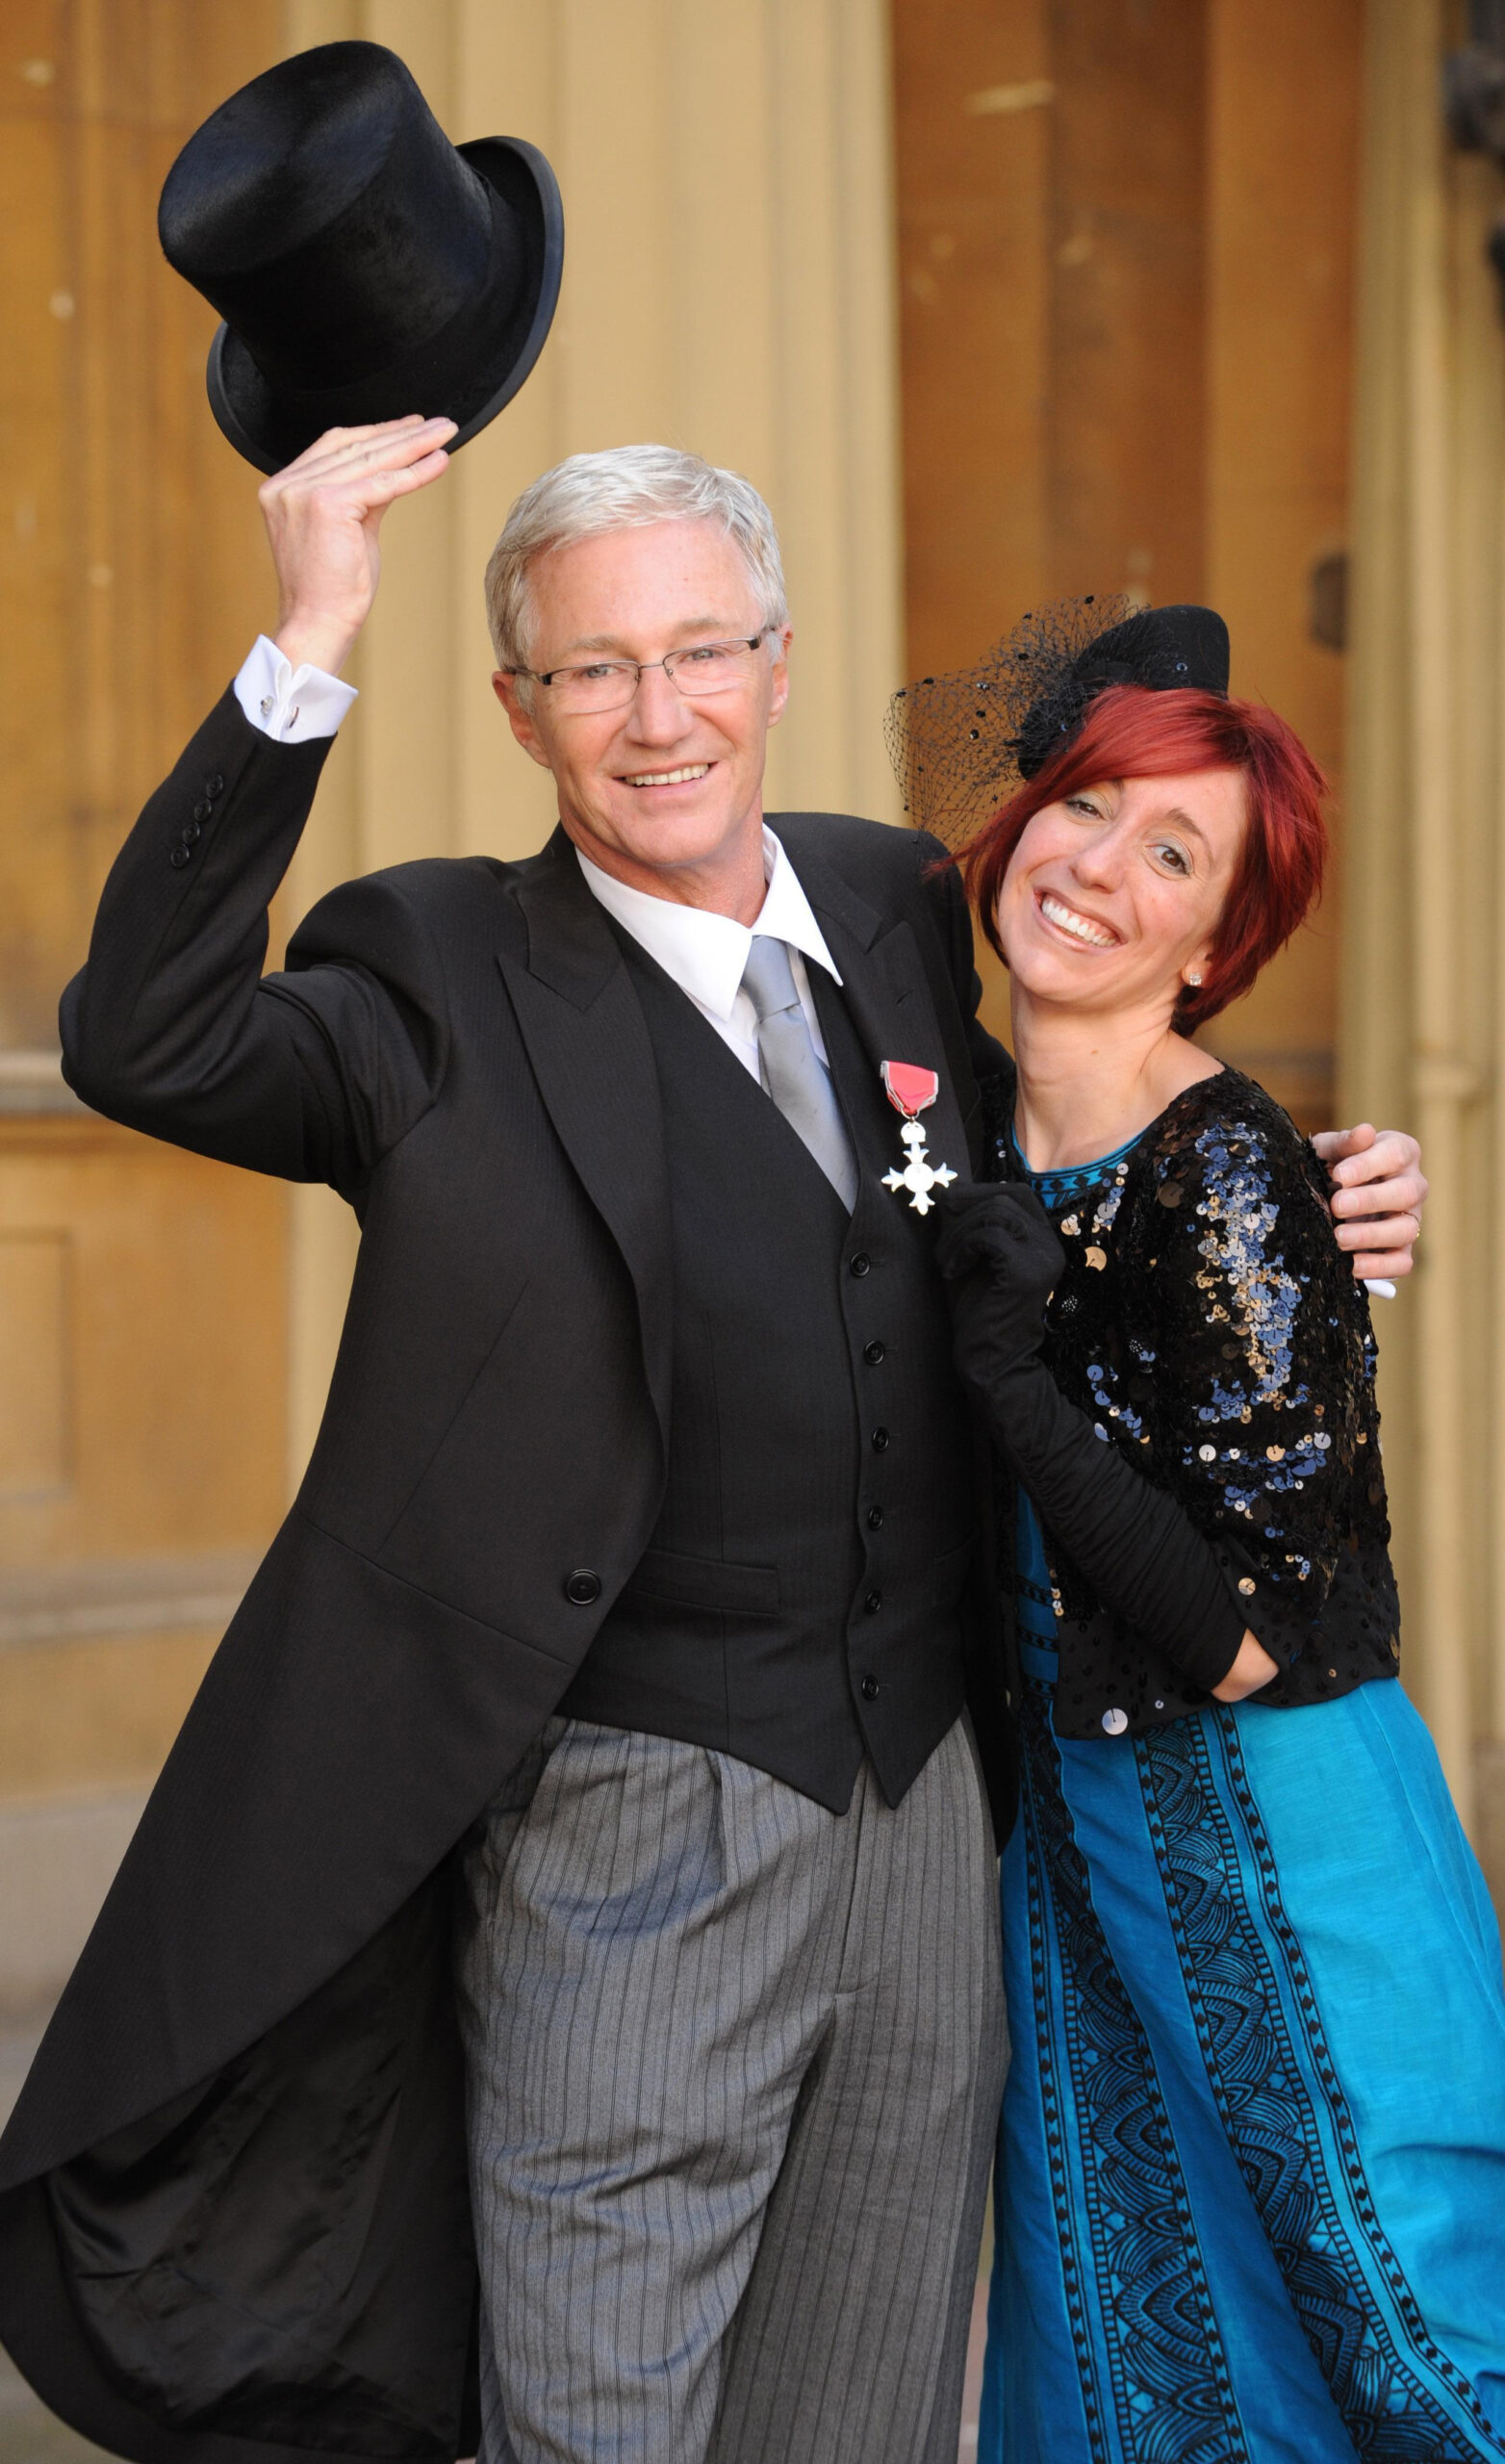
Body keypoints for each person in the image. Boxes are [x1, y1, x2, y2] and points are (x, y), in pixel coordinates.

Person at [0, 446, 1425, 2464]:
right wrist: (306, 637)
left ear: (775, 665)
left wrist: (1310, 1179)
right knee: (601, 2419)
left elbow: (1091, 1111)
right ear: (519, 711)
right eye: (591, 670)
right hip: (628, 1820)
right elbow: (146, 1039)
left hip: (931, 1802)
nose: (655, 714)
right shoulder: (433, 969)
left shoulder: (903, 902)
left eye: (697, 653)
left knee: (859, 2419)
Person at [908, 601, 1505, 2461]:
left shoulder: (1231, 1172)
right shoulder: (972, 1122)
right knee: (1137, 2359)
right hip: (1078, 1837)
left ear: (1217, 945)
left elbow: (1246, 1634)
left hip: (1274, 1830)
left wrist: (1009, 1379)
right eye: (1086, 807)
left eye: (1174, 854)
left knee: (1400, 2328)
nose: (1101, 866)